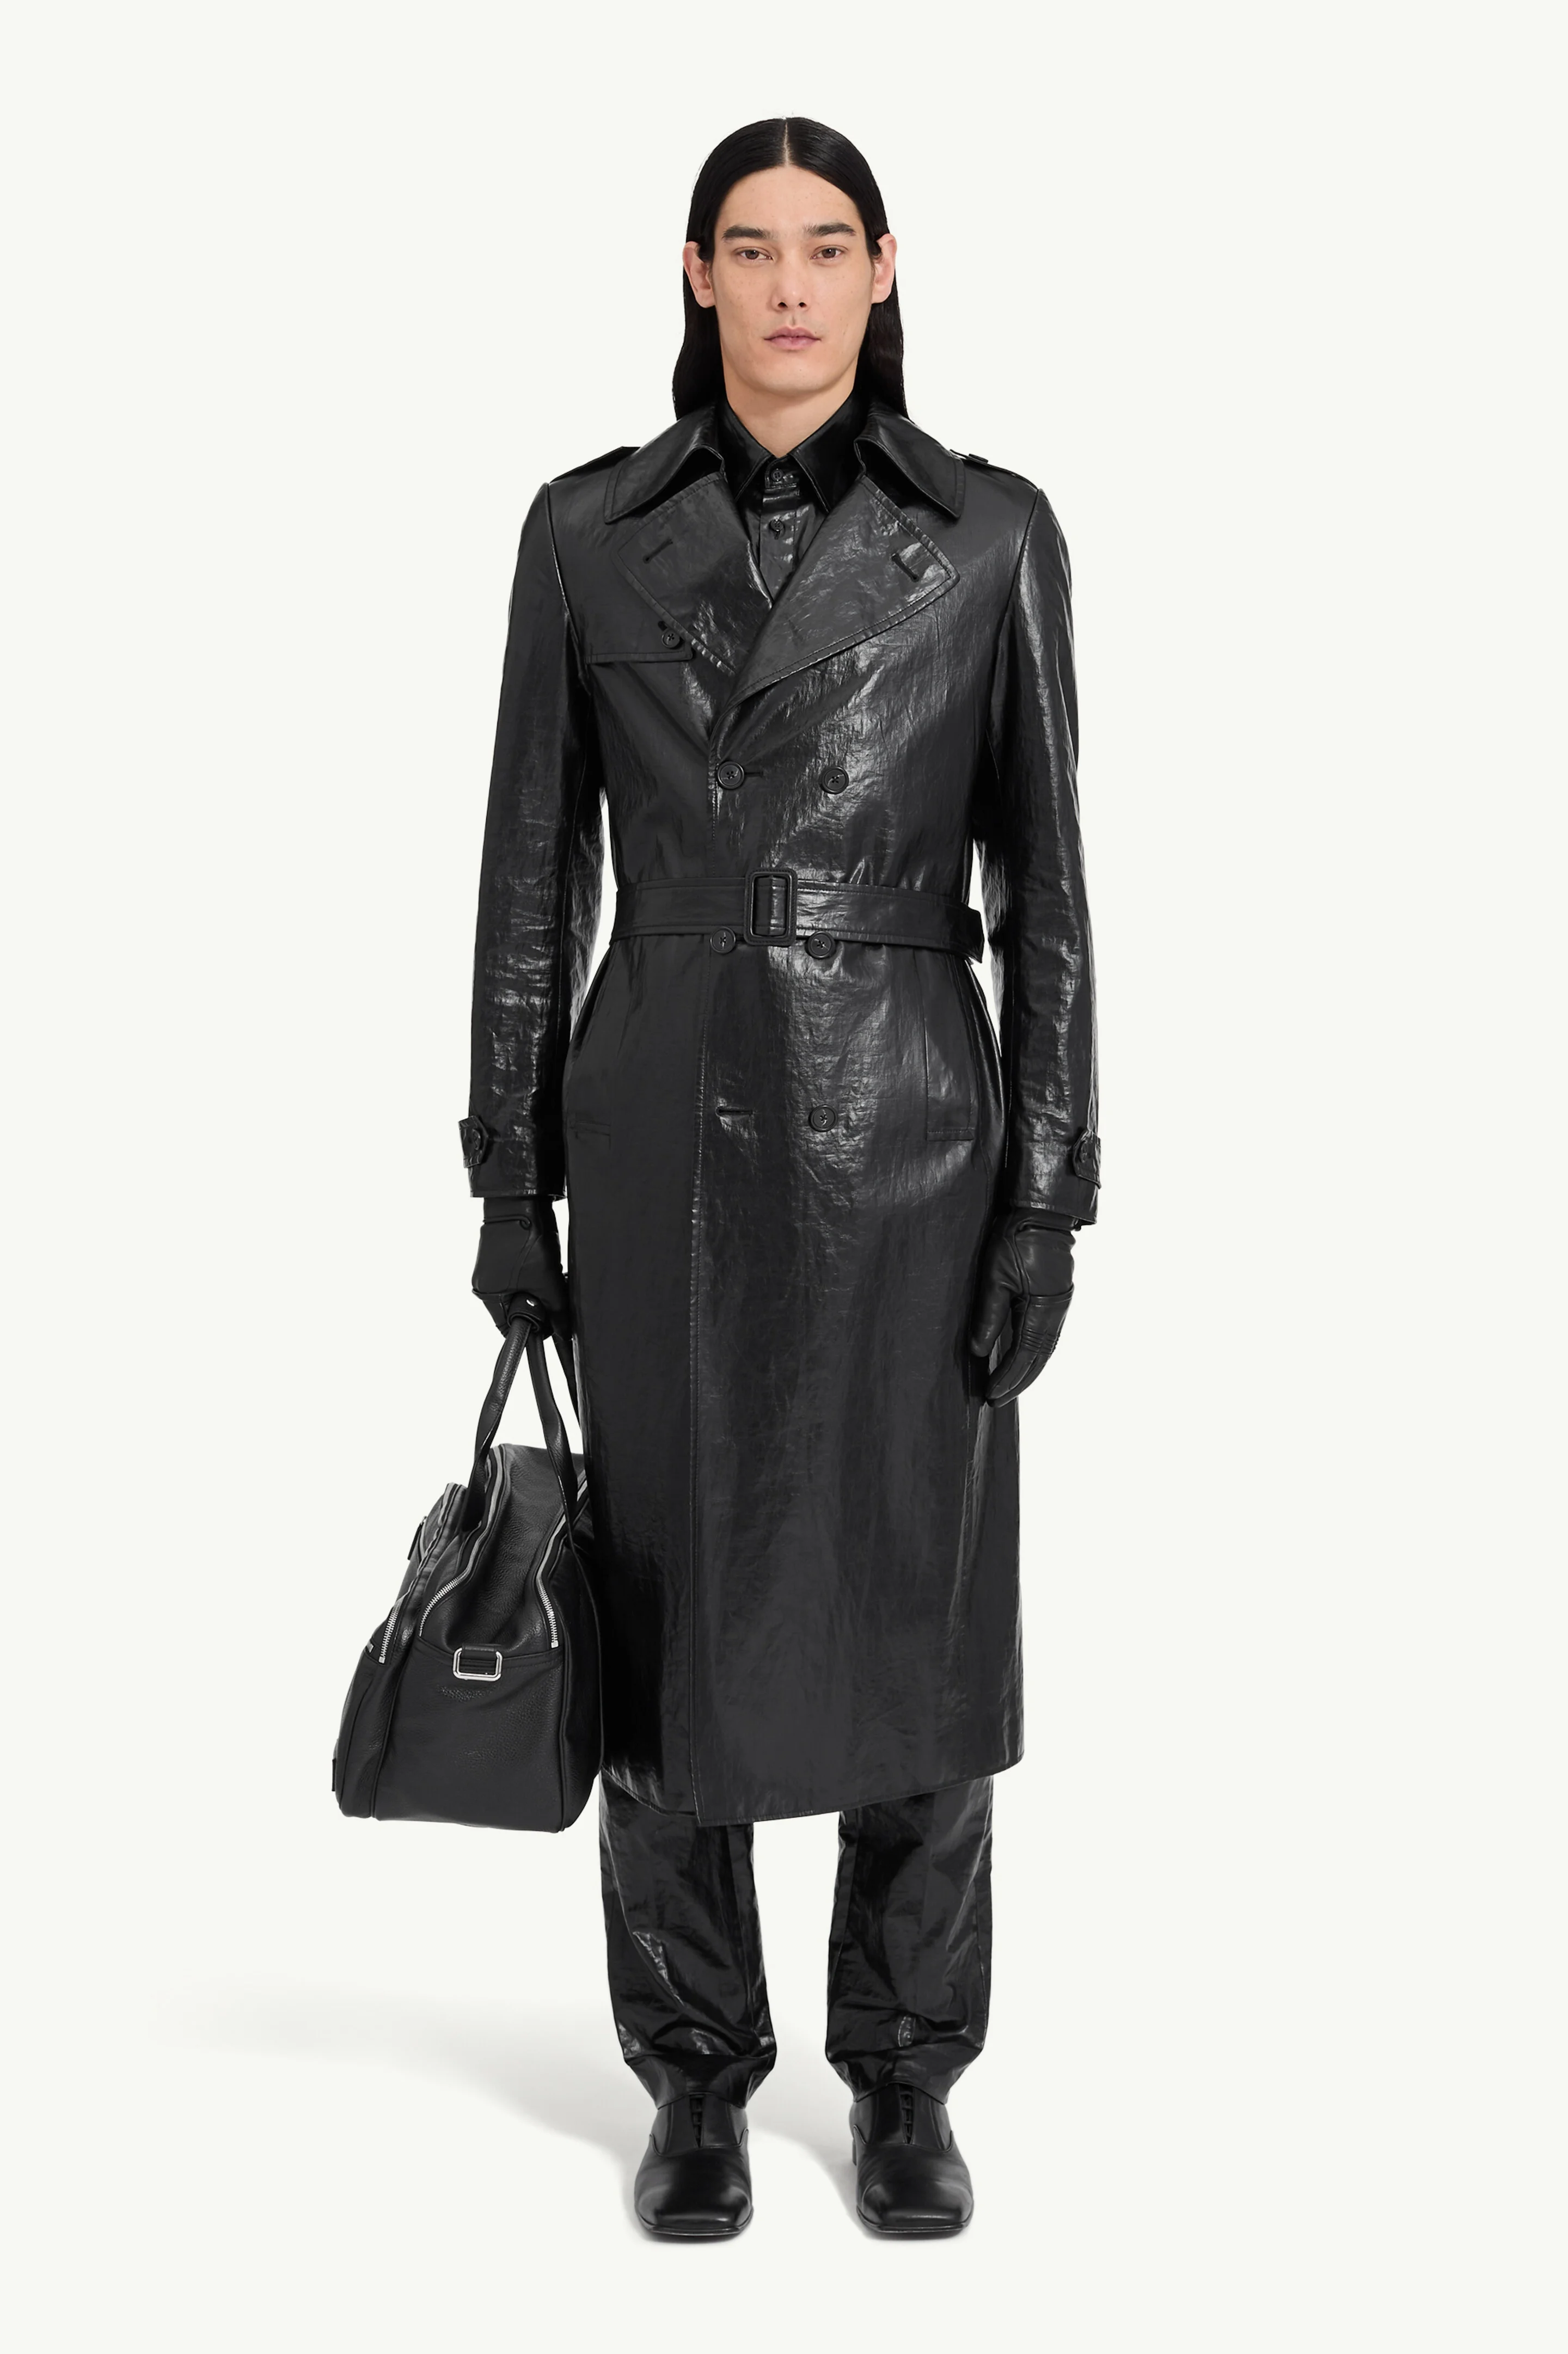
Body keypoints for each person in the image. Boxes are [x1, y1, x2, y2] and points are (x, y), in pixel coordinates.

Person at [462, 116, 1099, 2239]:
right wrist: (511, 1175)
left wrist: (1047, 1192)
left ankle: (907, 2076)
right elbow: (531, 876)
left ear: (884, 271)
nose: (794, 285)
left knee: (923, 1611)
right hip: (662, 1136)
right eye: (754, 248)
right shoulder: (587, 532)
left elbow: (1054, 891)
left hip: (911, 1138)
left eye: (830, 247)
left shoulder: (988, 535)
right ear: (698, 275)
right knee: (666, 1622)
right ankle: (695, 2076)